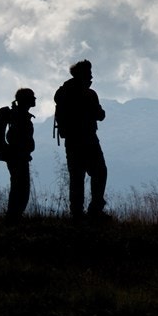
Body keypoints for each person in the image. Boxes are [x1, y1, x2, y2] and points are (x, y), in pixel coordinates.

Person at [53, 59, 108, 219]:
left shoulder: (64, 93)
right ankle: (95, 210)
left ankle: (76, 213)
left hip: (72, 141)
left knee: (77, 177)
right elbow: (100, 115)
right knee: (99, 172)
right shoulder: (88, 94)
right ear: (84, 74)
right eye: (89, 73)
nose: (92, 76)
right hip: (89, 139)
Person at [4, 87, 36, 221]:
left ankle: (13, 217)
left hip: (16, 157)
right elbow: (16, 137)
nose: (35, 99)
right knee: (21, 189)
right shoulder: (21, 117)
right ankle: (13, 218)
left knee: (18, 187)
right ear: (26, 100)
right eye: (32, 97)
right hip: (19, 157)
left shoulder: (18, 115)